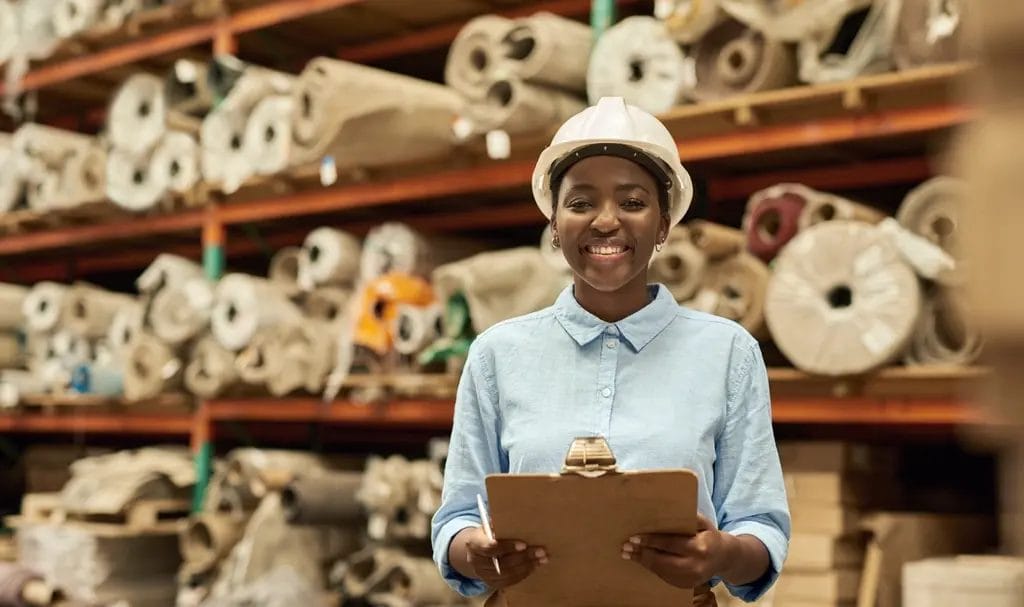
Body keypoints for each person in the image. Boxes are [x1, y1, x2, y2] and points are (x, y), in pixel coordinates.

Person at [431, 97, 790, 605]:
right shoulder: (497, 355)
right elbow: (457, 519)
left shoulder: (727, 352)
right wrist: (476, 551)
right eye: (580, 203)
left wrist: (723, 554)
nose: (605, 221)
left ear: (664, 224)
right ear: (554, 225)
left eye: (632, 202)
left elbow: (760, 524)